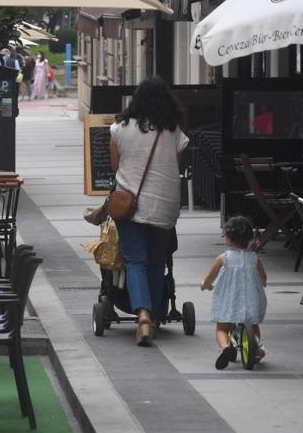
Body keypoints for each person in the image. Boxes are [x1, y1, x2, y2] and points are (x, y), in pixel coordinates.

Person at [109, 76, 190, 346]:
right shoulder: (174, 130)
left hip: (129, 204)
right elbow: (178, 165)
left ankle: (142, 314)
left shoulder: (120, 128)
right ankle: (153, 316)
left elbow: (115, 165)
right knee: (157, 262)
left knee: (134, 261)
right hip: (165, 206)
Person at [202, 215, 267, 369]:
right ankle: (255, 347)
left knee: (222, 328)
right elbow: (263, 277)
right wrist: (262, 283)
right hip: (251, 300)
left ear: (228, 238)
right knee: (253, 324)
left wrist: (205, 285)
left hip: (228, 300)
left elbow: (210, 277)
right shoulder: (254, 258)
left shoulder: (223, 258)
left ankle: (225, 347)